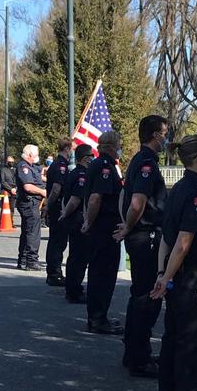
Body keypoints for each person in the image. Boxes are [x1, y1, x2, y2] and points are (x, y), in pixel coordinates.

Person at [150, 134, 197, 391]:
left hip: (174, 273)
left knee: (173, 337)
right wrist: (166, 276)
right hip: (191, 276)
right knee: (193, 341)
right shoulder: (196, 193)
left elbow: (166, 238)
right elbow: (183, 241)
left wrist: (162, 273)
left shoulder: (177, 188)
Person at [115, 115, 169, 378]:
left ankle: (134, 352)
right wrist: (128, 225)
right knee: (147, 299)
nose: (166, 139)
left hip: (140, 235)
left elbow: (126, 195)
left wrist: (126, 225)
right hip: (146, 236)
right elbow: (137, 201)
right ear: (155, 135)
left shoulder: (137, 160)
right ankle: (140, 358)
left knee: (139, 296)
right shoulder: (147, 162)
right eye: (164, 133)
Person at [83, 131, 124, 335]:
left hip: (102, 227)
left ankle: (99, 316)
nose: (120, 148)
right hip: (104, 228)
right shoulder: (105, 167)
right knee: (103, 275)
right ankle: (98, 319)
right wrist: (89, 222)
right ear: (111, 145)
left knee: (100, 273)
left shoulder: (97, 164)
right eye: (119, 144)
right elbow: (95, 198)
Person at [59, 144, 95, 303]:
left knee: (75, 256)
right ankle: (74, 291)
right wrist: (65, 213)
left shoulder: (72, 173)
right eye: (91, 156)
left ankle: (72, 288)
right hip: (78, 219)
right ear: (86, 158)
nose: (93, 159)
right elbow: (75, 199)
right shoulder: (82, 175)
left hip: (73, 219)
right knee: (79, 258)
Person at [44, 137, 73, 286]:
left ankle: (55, 272)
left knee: (57, 241)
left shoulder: (57, 164)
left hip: (57, 207)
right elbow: (56, 189)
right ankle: (54, 273)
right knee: (58, 242)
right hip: (58, 208)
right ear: (67, 149)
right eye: (71, 148)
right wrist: (48, 206)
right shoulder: (61, 166)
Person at [15, 145, 47, 271]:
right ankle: (31, 261)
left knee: (27, 231)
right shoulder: (24, 167)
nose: (37, 157)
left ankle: (23, 260)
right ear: (29, 155)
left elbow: (40, 175)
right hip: (29, 203)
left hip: (31, 203)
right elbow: (28, 186)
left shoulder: (32, 167)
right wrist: (42, 192)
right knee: (33, 233)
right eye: (36, 154)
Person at [0, 155, 18, 225]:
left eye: (12, 162)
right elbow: (3, 181)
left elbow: (18, 180)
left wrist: (15, 188)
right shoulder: (3, 170)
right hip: (5, 191)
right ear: (7, 162)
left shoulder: (15, 170)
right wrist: (10, 189)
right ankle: (2, 222)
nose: (11, 163)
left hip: (14, 191)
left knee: (12, 208)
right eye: (9, 162)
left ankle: (11, 222)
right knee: (4, 207)